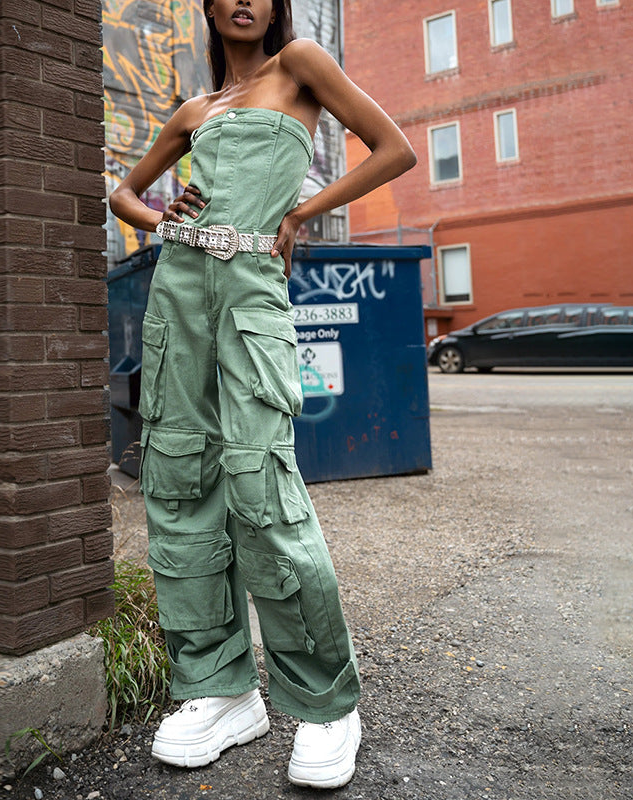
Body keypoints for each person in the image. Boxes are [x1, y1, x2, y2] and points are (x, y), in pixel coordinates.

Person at [108, 0, 416, 789]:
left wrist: (302, 211)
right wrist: (156, 215)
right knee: (177, 481)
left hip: (251, 293)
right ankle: (219, 688)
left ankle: (324, 702)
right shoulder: (193, 109)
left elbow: (394, 150)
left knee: (260, 484)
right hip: (178, 292)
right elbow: (123, 195)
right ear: (209, 6)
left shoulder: (301, 65)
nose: (244, 0)